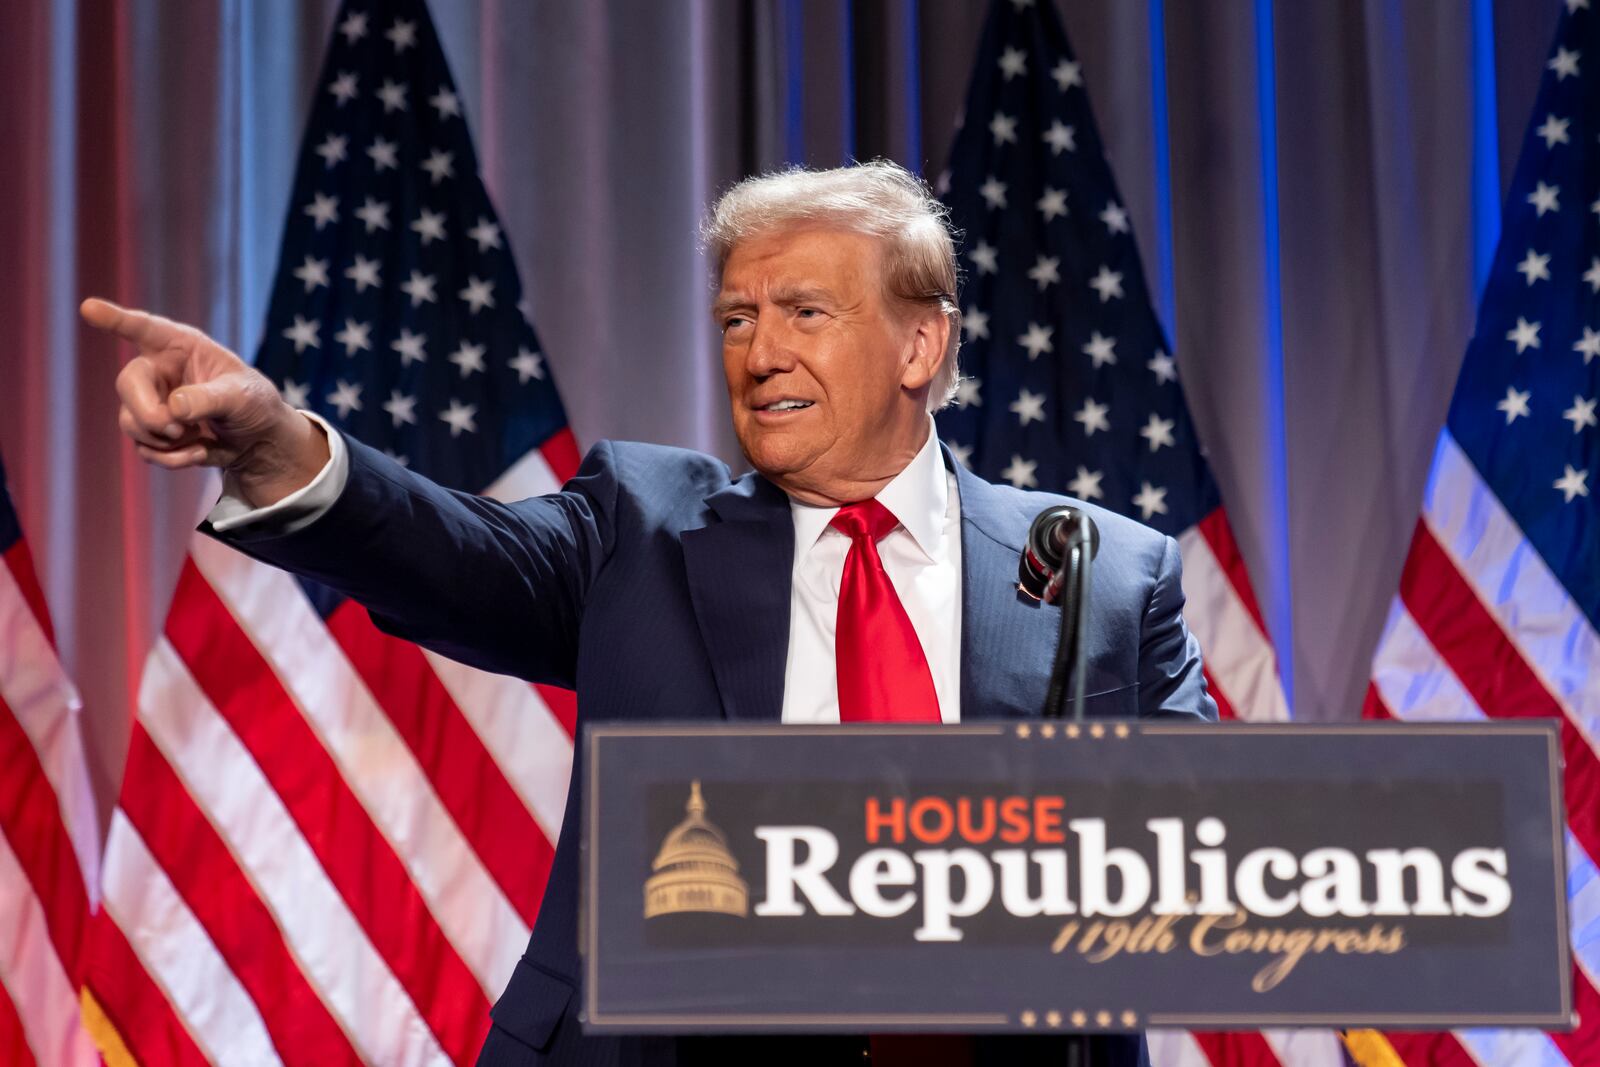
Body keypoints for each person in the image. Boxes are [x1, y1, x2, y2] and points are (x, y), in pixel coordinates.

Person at [87, 161, 1214, 1067]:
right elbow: (452, 554)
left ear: (921, 342)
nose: (760, 352)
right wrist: (278, 442)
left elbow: (1208, 860)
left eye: (804, 311)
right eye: (736, 318)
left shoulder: (1101, 571)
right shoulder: (644, 525)